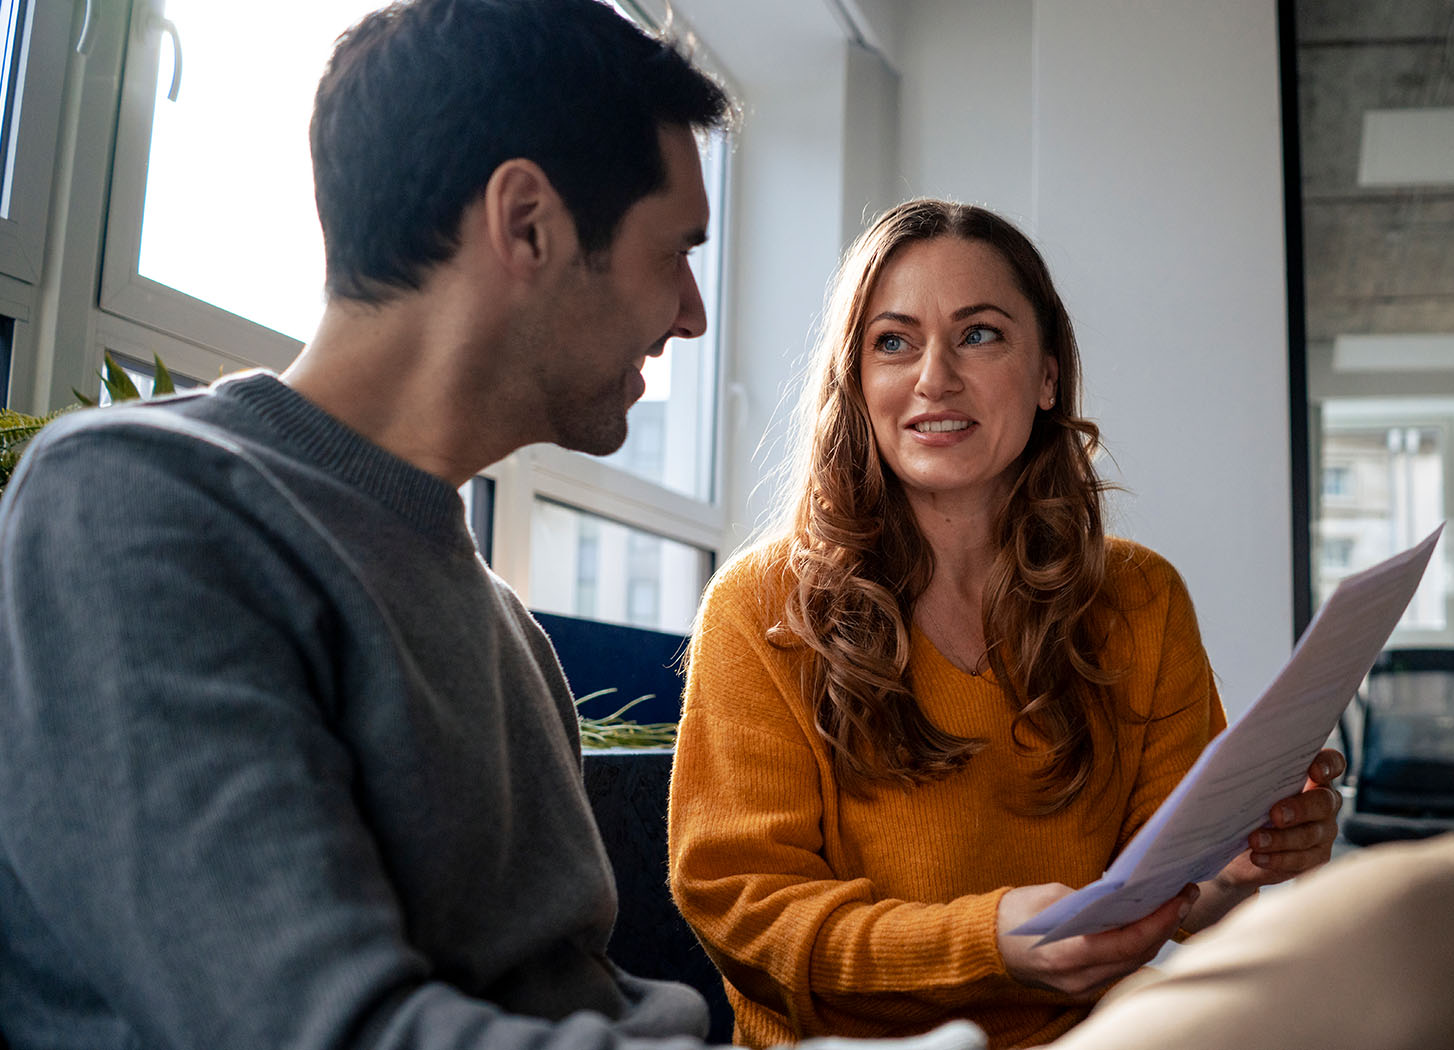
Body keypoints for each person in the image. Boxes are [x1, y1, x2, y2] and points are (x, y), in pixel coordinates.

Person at [0, 2, 896, 1048]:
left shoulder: (506, 631)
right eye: (677, 251)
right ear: (527, 223)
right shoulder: (133, 505)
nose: (692, 312)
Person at [667, 199, 1344, 1048]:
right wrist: (989, 945)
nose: (934, 378)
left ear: (1049, 375)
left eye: (979, 334)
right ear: (856, 381)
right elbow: (746, 916)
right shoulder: (759, 610)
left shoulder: (1141, 599)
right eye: (893, 341)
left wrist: (1242, 864)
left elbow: (1171, 895)